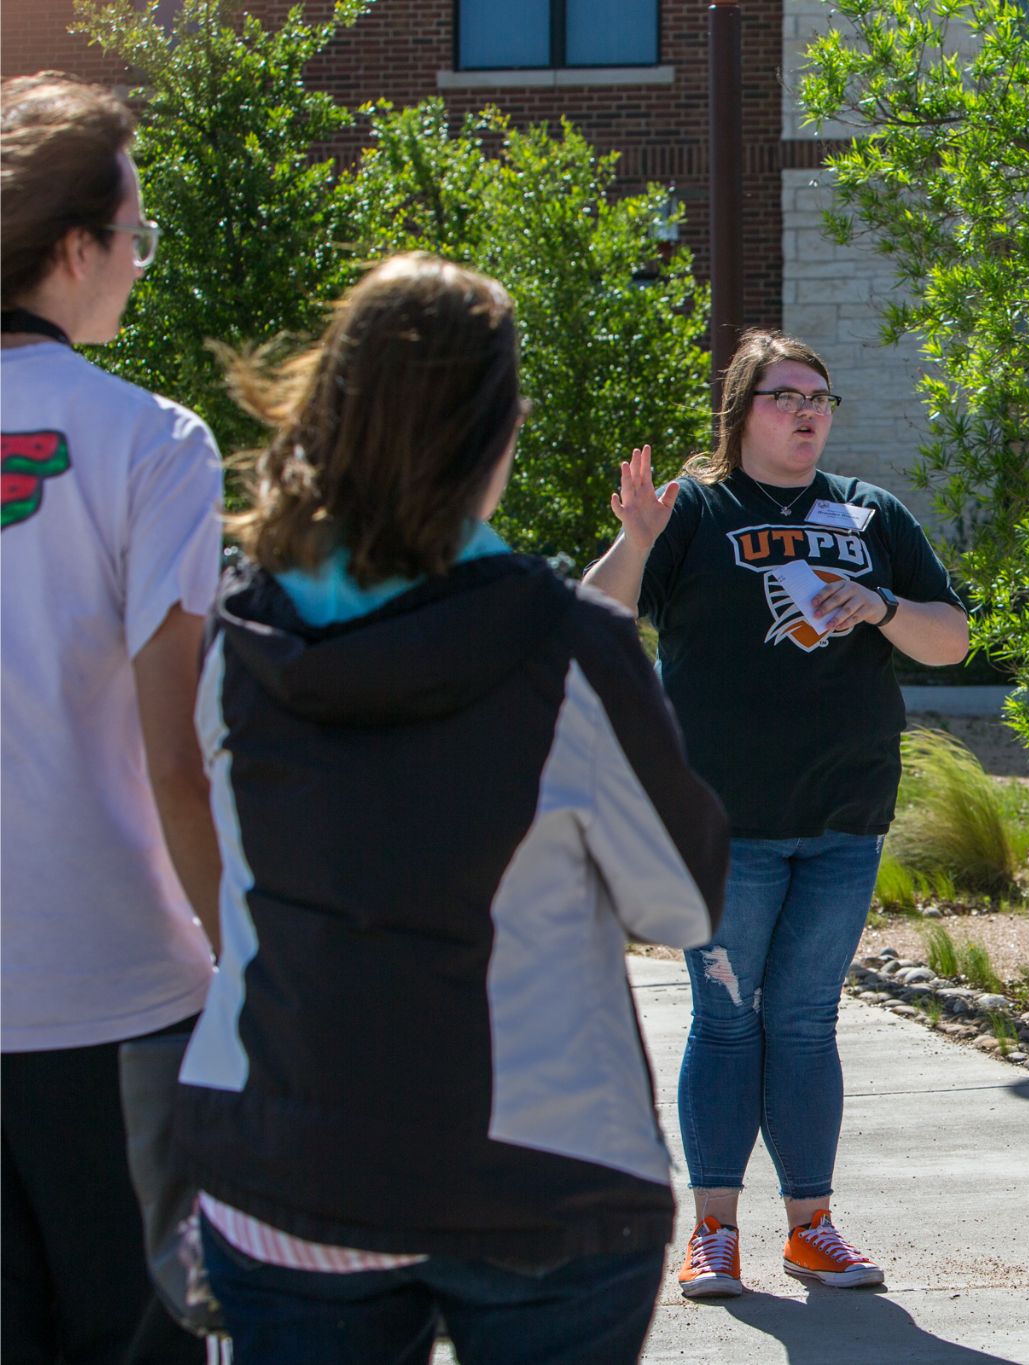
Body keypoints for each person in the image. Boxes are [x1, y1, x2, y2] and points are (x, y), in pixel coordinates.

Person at [171, 252, 730, 1364]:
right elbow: (678, 902)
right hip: (541, 1174)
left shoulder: (234, 637)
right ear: (496, 432)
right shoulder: (568, 646)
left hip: (287, 1160)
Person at [584, 328, 969, 1297]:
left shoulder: (870, 513)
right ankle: (712, 1231)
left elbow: (951, 639)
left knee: (802, 1024)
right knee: (724, 1021)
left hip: (843, 819)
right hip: (722, 828)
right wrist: (635, 539)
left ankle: (812, 1227)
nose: (805, 411)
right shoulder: (695, 508)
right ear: (740, 410)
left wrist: (878, 604)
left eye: (819, 396)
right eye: (783, 395)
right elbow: (591, 616)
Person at [2, 73, 217, 1365]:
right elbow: (174, 752)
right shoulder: (154, 442)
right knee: (140, 1336)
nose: (139, 264)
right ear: (77, 248)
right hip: (118, 982)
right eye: (136, 235)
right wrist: (248, 959)